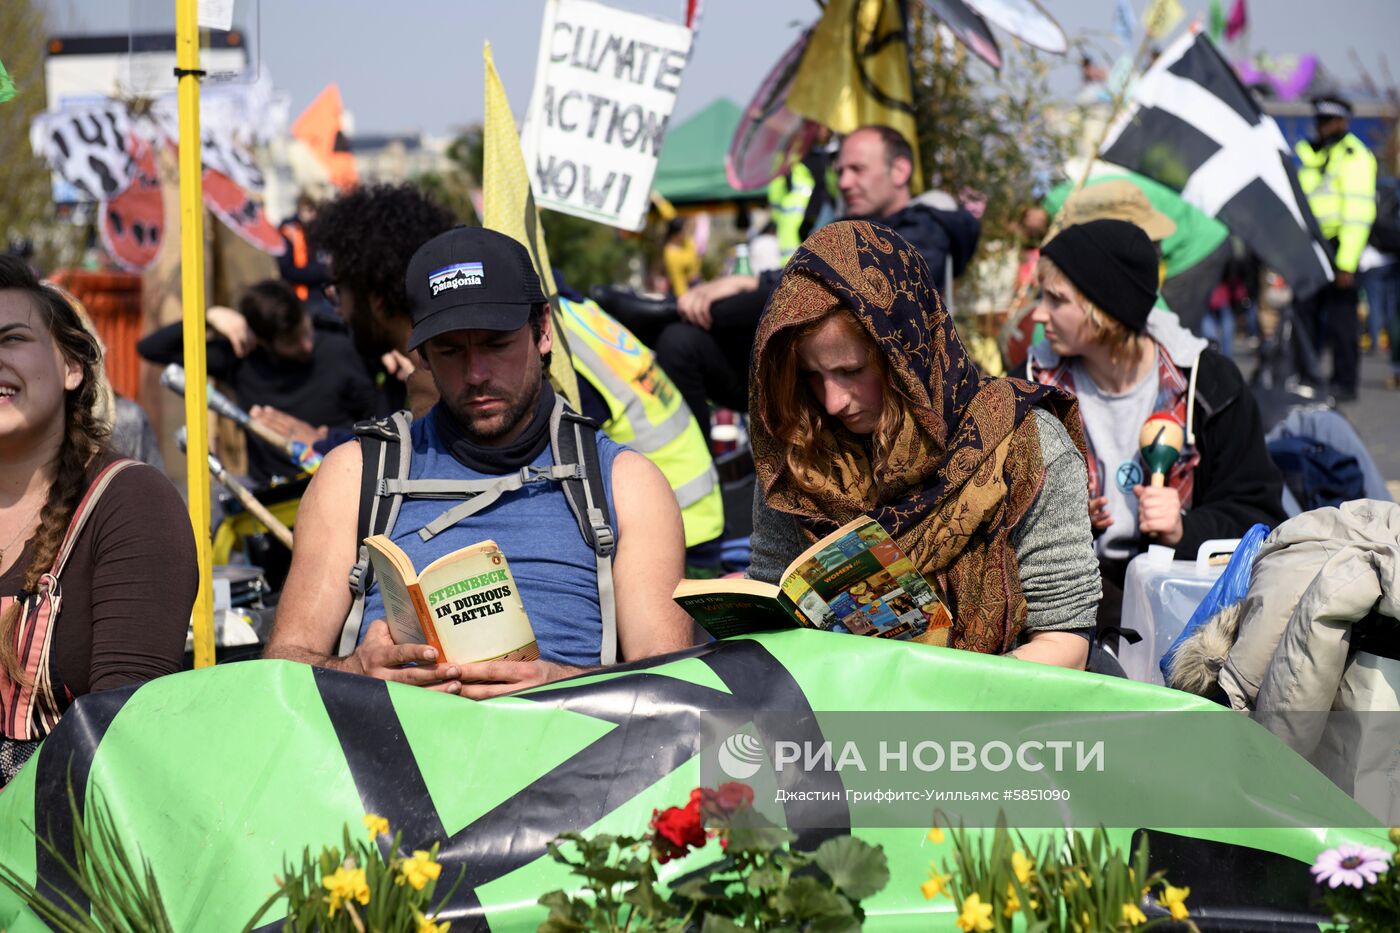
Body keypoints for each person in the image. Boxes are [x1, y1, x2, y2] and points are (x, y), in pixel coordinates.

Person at [264, 227, 693, 698]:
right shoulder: (354, 475)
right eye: (450, 351)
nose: (476, 374)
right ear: (421, 355)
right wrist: (356, 670)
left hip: (572, 757)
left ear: (543, 331)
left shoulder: (626, 483)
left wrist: (557, 682)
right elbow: (282, 670)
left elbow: (671, 686)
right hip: (394, 759)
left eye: (496, 344)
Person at [748, 221, 1099, 670]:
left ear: (907, 356)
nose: (833, 402)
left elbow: (1065, 640)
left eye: (852, 371)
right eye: (812, 377)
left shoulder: (1026, 446)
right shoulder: (799, 454)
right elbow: (768, 604)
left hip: (998, 722)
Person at [1027, 220, 1286, 634]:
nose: (1039, 314)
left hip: (1185, 612)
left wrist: (1186, 528)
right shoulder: (1030, 389)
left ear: (1105, 309)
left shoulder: (1210, 386)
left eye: (1056, 299)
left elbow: (1261, 515)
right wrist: (1064, 523)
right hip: (1070, 610)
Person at [0, 256, 196, 786]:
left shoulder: (130, 502)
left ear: (71, 368)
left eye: (11, 338)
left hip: (60, 844)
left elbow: (123, 739)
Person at [655, 125, 980, 442]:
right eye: (840, 172)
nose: (845, 182)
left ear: (900, 170)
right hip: (809, 383)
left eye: (857, 169)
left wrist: (730, 299)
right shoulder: (837, 228)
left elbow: (823, 285)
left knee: (686, 326)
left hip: (891, 404)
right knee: (680, 343)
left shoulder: (924, 231)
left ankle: (662, 312)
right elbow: (802, 274)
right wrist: (746, 281)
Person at [136, 280, 378, 483]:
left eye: (306, 330)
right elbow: (151, 348)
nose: (307, 345)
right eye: (292, 341)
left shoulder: (340, 347)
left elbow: (376, 417)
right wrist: (209, 317)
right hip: (273, 490)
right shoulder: (242, 360)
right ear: (263, 341)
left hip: (338, 477)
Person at [1296, 95, 1378, 401]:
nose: (1322, 127)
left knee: (1342, 321)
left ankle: (1344, 384)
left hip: (1340, 246)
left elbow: (1358, 213)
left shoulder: (1355, 155)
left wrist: (1346, 262)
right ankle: (1306, 377)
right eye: (1319, 121)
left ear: (1342, 122)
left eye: (1328, 121)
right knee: (1304, 314)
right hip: (1311, 245)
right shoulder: (1311, 155)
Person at [278, 192, 336, 323]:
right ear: (301, 208)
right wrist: (325, 271)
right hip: (303, 299)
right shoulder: (288, 232)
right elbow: (287, 271)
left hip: (325, 296)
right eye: (310, 209)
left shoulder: (320, 229)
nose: (315, 215)